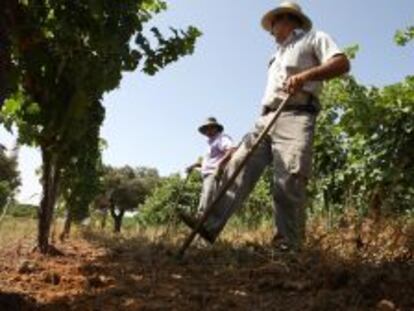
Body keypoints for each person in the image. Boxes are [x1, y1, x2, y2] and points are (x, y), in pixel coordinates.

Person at [180, 1, 350, 250]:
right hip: (265, 119)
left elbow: (342, 63)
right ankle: (209, 224)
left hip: (296, 114)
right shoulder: (275, 56)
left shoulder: (315, 38)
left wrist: (304, 76)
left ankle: (287, 245)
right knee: (237, 166)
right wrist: (257, 124)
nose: (270, 31)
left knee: (288, 179)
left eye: (272, 25)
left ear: (286, 20)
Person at [184, 117, 235, 216]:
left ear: (216, 128)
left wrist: (220, 165)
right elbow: (209, 161)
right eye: (206, 129)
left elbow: (231, 150)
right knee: (204, 198)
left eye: (211, 128)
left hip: (214, 174)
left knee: (208, 198)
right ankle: (199, 220)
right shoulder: (210, 143)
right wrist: (194, 165)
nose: (208, 131)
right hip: (206, 175)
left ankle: (203, 221)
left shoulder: (221, 138)